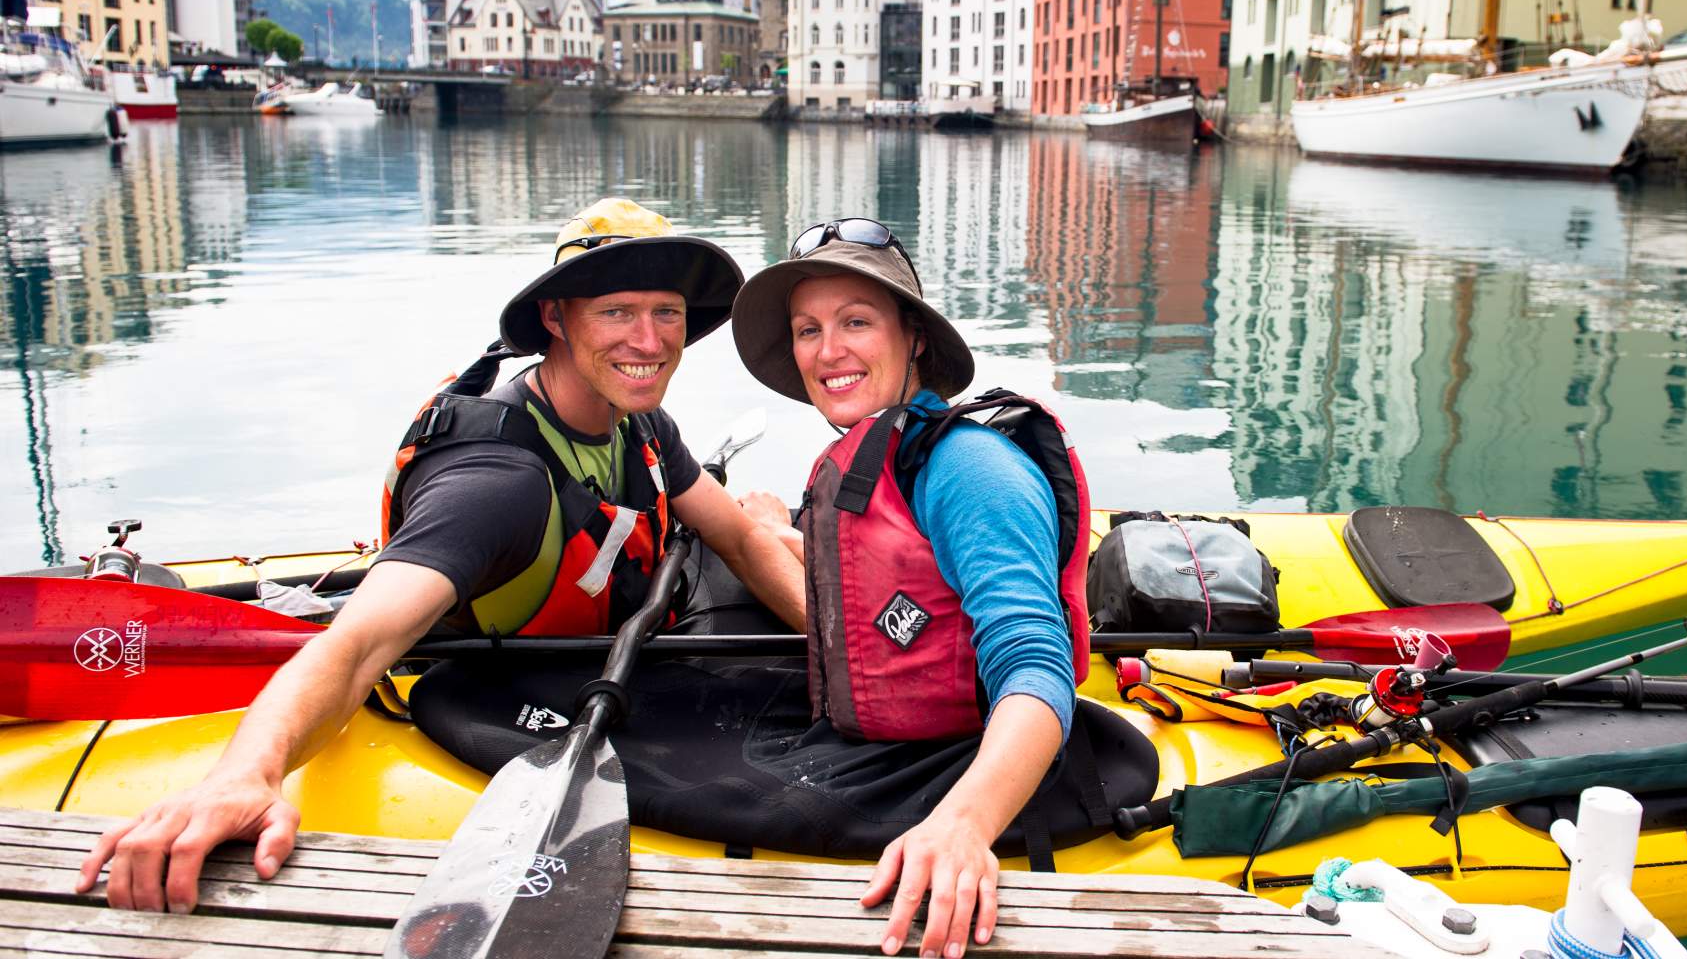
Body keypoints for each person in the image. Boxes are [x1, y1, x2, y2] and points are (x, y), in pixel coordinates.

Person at [76, 198, 805, 913]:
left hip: (609, 634)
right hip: (503, 684)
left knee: (759, 540)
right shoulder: (497, 484)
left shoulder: (637, 420)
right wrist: (245, 774)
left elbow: (739, 538)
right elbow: (359, 645)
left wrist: (838, 648)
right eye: (617, 312)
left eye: (666, 313)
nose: (649, 341)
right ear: (555, 318)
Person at [731, 218, 1091, 959]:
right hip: (875, 741)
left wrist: (965, 822)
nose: (827, 351)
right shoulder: (876, 453)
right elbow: (879, 588)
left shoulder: (971, 468)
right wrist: (770, 534)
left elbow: (1035, 662)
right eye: (808, 330)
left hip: (956, 760)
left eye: (856, 322)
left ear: (915, 338)